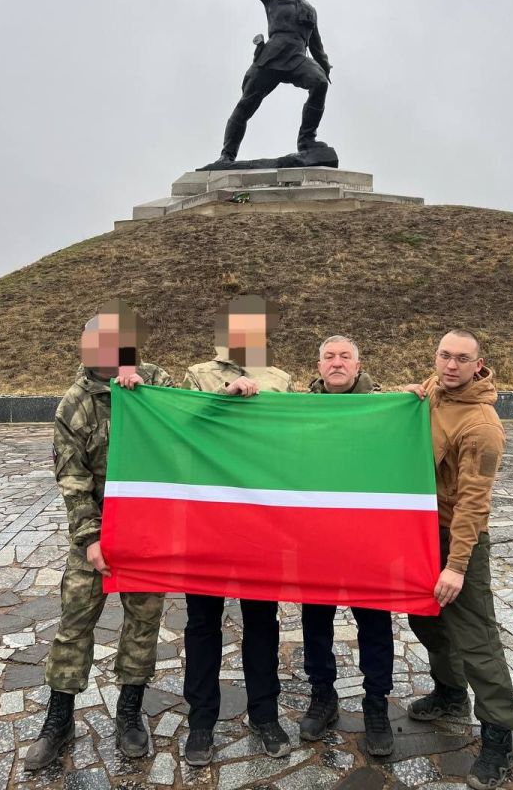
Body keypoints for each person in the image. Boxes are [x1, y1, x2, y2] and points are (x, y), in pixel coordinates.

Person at [25, 300, 174, 771]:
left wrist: (148, 396)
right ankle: (59, 718)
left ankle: (130, 712)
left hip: (146, 534)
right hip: (96, 531)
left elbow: (192, 423)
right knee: (74, 625)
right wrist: (90, 540)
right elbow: (72, 481)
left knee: (143, 622)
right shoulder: (74, 404)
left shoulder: (156, 380)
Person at [404, 329, 513, 790]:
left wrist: (455, 566)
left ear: (479, 364)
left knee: (476, 638)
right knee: (427, 620)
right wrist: (406, 395)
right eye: (444, 356)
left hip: (459, 536)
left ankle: (498, 739)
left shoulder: (482, 425)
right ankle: (451, 694)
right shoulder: (434, 389)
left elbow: (475, 503)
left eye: (461, 359)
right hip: (419, 530)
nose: (451, 366)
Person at [181, 295, 292, 766]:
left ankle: (264, 714)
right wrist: (219, 399)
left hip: (259, 519)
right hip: (208, 518)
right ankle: (201, 722)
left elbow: (297, 437)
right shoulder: (197, 374)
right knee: (202, 624)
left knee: (262, 623)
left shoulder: (282, 380)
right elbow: (180, 426)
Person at [299, 335, 395, 756]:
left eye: (345, 357)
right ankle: (323, 696)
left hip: (366, 538)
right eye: (329, 357)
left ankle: (376, 705)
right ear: (318, 366)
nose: (337, 363)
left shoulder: (385, 408)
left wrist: (413, 402)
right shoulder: (296, 409)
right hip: (315, 537)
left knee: (374, 623)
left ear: (358, 365)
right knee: (315, 622)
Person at [217, 0, 332, 164]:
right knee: (246, 104)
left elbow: (317, 45)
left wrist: (325, 65)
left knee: (319, 83)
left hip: (298, 57)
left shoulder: (311, 10)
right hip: (271, 55)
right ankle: (227, 155)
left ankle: (307, 140)